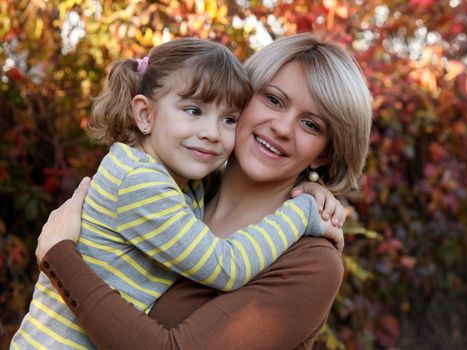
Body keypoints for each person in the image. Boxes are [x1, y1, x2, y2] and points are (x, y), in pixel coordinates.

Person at [29, 33, 372, 349]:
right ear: (241, 98)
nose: (282, 127)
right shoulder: (180, 188)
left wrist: (58, 257)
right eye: (274, 100)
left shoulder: (311, 263)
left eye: (311, 124)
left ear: (325, 152)